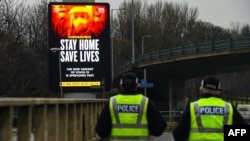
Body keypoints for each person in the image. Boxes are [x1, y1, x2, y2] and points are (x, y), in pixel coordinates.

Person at [95, 72, 167, 141]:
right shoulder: (145, 102)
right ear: (136, 85)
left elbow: (101, 131)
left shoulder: (112, 102)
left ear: (121, 85)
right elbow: (159, 129)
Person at [173, 76, 248, 141]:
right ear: (219, 92)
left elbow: (178, 134)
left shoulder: (193, 107)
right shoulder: (229, 108)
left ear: (201, 90)